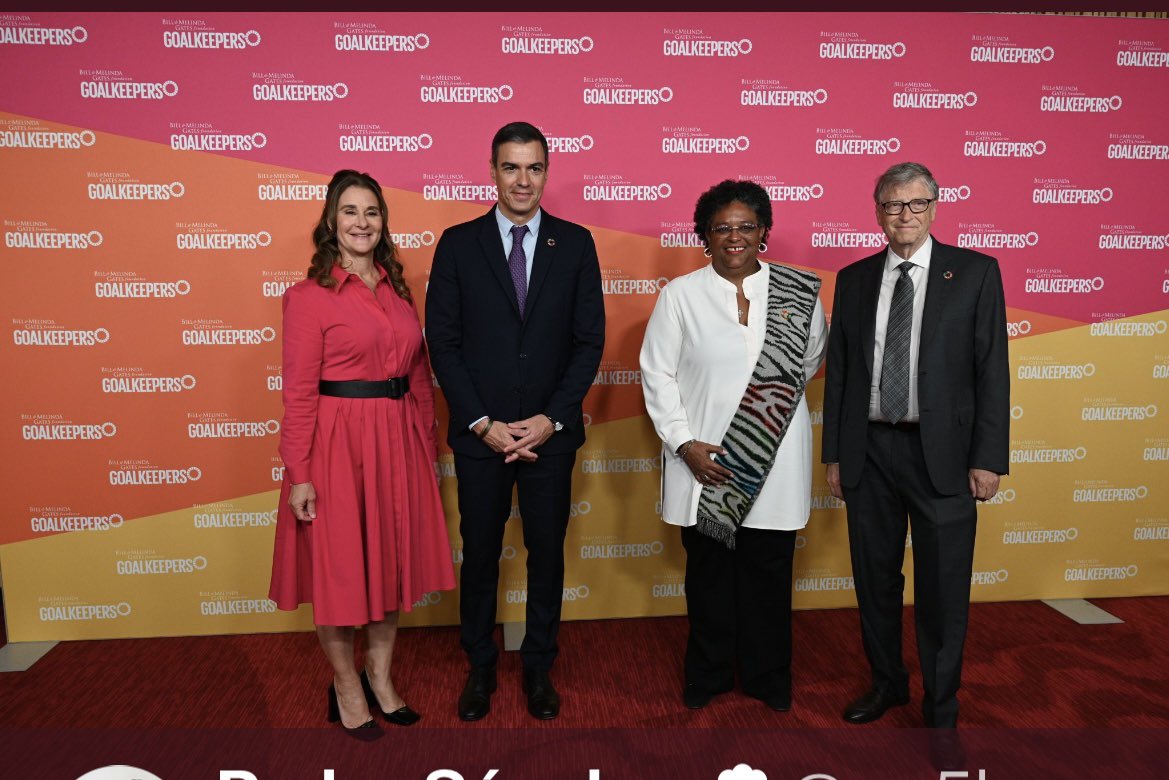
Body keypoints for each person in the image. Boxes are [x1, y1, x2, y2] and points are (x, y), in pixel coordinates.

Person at [821, 162, 1009, 737]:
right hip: (869, 453)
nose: (904, 216)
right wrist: (834, 453)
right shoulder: (853, 278)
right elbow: (843, 374)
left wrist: (988, 457)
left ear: (935, 206)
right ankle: (886, 682)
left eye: (916, 204)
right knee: (874, 580)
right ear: (876, 210)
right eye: (892, 205)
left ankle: (941, 703)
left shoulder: (975, 273)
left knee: (942, 587)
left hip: (946, 457)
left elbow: (991, 370)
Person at [425, 122, 605, 721]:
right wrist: (482, 422)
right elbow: (443, 345)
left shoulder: (576, 244)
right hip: (482, 439)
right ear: (492, 171)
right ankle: (479, 666)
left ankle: (538, 666)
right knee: (479, 552)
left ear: (547, 172)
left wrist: (550, 420)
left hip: (549, 438)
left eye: (533, 168)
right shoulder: (457, 243)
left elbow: (588, 342)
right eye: (510, 167)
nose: (522, 180)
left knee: (546, 553)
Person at [269, 169, 456, 739]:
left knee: (391, 568)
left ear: (382, 222)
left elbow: (418, 374)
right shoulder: (308, 298)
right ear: (331, 221)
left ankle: (381, 677)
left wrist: (425, 443)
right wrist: (299, 474)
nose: (361, 222)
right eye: (350, 211)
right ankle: (346, 686)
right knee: (341, 573)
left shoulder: (398, 290)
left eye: (371, 212)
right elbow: (299, 392)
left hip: (396, 442)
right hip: (337, 447)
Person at [640, 179, 827, 712]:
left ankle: (769, 677)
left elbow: (807, 364)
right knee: (710, 580)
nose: (735, 237)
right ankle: (709, 674)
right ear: (705, 235)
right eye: (722, 227)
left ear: (764, 231)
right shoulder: (680, 295)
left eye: (746, 226)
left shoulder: (797, 294)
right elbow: (657, 375)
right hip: (704, 465)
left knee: (769, 576)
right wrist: (683, 443)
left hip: (777, 462)